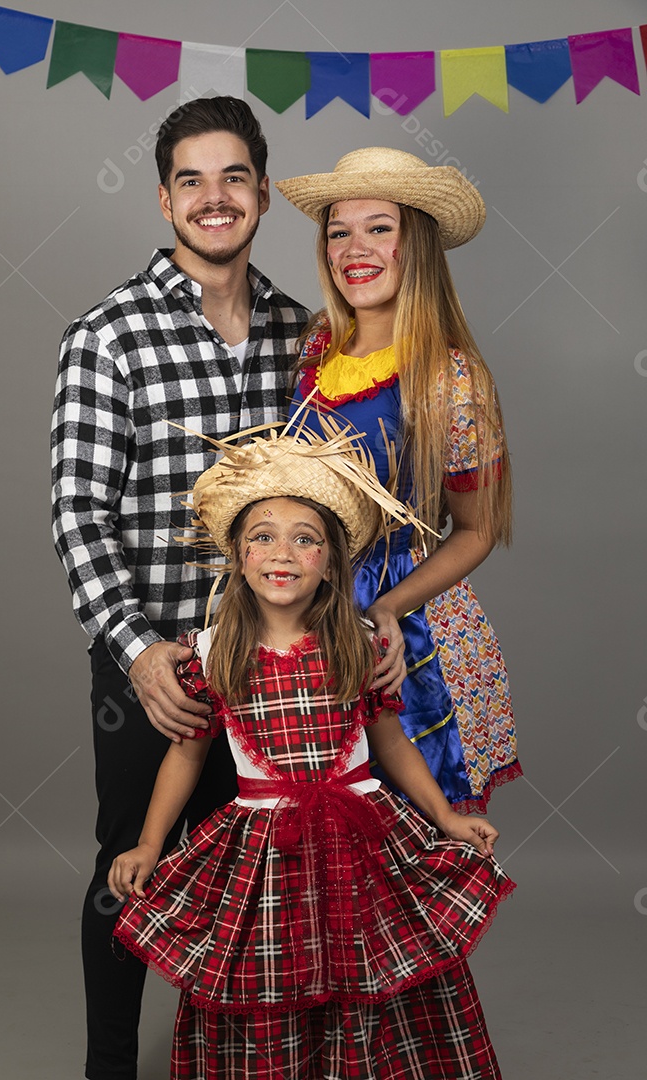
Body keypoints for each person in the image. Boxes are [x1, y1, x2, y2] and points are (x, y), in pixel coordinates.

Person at [108, 416, 515, 1080]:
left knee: (372, 972)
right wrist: (151, 845)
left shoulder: (357, 640)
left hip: (363, 840)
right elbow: (183, 756)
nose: (283, 554)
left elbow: (392, 739)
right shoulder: (212, 655)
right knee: (271, 978)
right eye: (262, 538)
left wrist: (446, 817)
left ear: (330, 561)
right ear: (239, 555)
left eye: (305, 540)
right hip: (265, 849)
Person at [50, 97, 312, 1080]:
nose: (215, 197)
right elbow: (80, 513)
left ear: (262, 194)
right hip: (153, 663)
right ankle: (109, 1067)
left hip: (272, 662)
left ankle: (233, 1059)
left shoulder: (300, 334)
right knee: (135, 863)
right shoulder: (109, 334)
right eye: (193, 180)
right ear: (163, 199)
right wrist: (135, 649)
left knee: (255, 875)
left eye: (234, 176)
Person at [275, 147, 520, 812]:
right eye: (338, 231)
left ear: (417, 243)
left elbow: (477, 528)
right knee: (317, 841)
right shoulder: (315, 345)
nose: (356, 248)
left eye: (380, 228)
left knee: (412, 843)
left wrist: (388, 607)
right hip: (305, 614)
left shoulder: (450, 377)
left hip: (405, 628)